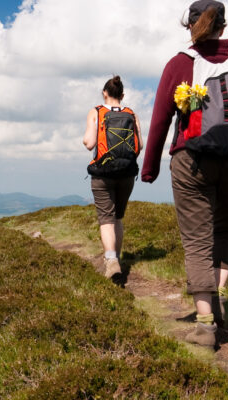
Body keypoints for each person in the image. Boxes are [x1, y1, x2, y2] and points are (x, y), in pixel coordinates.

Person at [141, 0, 228, 347]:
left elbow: (160, 119)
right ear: (223, 25)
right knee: (223, 228)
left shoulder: (179, 63)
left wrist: (150, 167)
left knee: (197, 238)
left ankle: (205, 324)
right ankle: (218, 301)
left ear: (190, 26)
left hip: (192, 160)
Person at [83, 76, 141, 280]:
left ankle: (111, 260)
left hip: (102, 173)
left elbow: (89, 143)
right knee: (118, 217)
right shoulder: (131, 114)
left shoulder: (96, 111)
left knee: (106, 218)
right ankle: (117, 257)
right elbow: (139, 146)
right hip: (127, 173)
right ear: (122, 95)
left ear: (104, 93)